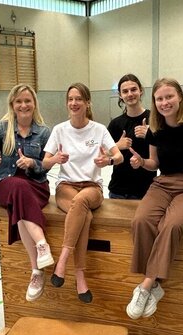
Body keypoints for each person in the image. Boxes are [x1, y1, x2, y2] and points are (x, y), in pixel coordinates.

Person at [126, 77, 183, 319]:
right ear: (154, 102)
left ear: (179, 97)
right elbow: (154, 164)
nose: (164, 102)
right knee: (141, 221)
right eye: (159, 99)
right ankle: (156, 285)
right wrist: (140, 162)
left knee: (172, 224)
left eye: (169, 97)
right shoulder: (156, 130)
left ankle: (146, 284)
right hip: (162, 184)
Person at [42, 82, 123, 303]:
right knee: (83, 215)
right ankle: (79, 274)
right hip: (65, 188)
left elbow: (119, 156)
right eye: (70, 99)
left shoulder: (99, 129)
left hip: (92, 188)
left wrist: (108, 160)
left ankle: (63, 260)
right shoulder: (59, 130)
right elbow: (45, 163)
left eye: (79, 99)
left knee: (82, 202)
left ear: (87, 102)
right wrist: (55, 159)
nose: (74, 103)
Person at [0, 84, 53, 302]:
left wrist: (33, 163)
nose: (23, 105)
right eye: (19, 101)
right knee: (18, 187)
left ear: (34, 104)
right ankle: (41, 244)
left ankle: (36, 271)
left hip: (36, 186)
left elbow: (48, 164)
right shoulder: (2, 129)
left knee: (21, 205)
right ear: (12, 104)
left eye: (27, 101)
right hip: (7, 185)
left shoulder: (45, 131)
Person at [107, 74, 156, 199]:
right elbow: (102, 154)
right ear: (120, 95)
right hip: (118, 190)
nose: (130, 94)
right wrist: (117, 146)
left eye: (133, 89)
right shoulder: (115, 124)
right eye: (125, 91)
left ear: (141, 91)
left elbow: (165, 152)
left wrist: (150, 136)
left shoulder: (155, 119)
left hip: (146, 189)